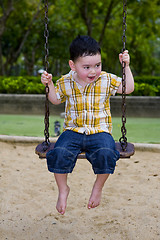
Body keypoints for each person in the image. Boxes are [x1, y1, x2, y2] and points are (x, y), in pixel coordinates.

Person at [41, 35, 134, 215]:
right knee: (58, 153)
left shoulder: (106, 80)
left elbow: (128, 88)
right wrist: (49, 84)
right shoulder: (66, 82)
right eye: (86, 67)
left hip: (100, 131)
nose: (93, 71)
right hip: (73, 131)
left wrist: (126, 66)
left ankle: (98, 188)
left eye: (97, 65)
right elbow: (54, 100)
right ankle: (63, 190)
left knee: (107, 154)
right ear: (72, 65)